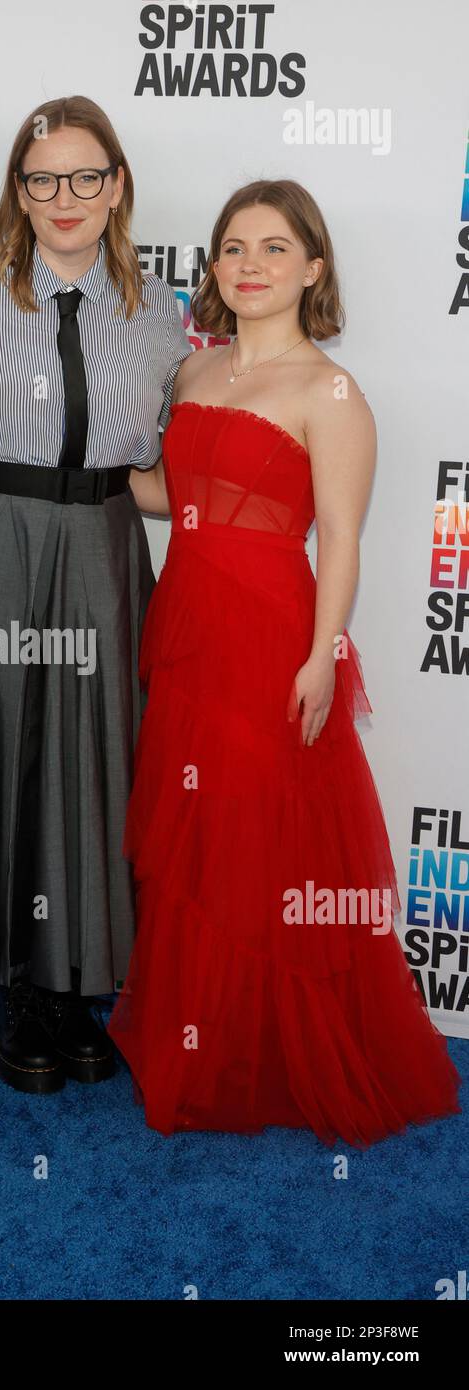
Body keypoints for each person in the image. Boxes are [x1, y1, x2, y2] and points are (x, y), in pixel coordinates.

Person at [110, 179, 462, 1146]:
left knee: (267, 837)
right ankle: (204, 1034)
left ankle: (269, 1047)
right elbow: (164, 494)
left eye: (273, 248)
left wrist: (321, 657)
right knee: (196, 836)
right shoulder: (190, 374)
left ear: (312, 268)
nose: (250, 265)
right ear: (213, 270)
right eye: (233, 248)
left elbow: (340, 540)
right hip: (184, 624)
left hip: (272, 635)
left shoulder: (328, 391)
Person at [0, 96, 192, 1094]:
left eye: (85, 176)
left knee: (92, 765)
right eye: (42, 179)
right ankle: (16, 991)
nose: (64, 198)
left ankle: (75, 991)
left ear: (117, 186)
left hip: (105, 544)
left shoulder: (161, 312)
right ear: (17, 193)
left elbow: (178, 455)